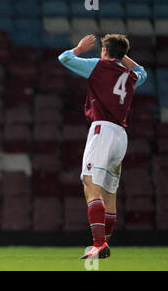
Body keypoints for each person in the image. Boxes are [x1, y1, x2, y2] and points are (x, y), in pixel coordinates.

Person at [58, 34, 147, 259]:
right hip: (120, 136)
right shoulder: (130, 76)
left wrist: (78, 48)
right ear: (121, 55)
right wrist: (121, 56)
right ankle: (104, 245)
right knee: (109, 193)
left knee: (90, 184)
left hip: (102, 131)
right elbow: (143, 71)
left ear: (105, 52)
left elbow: (64, 59)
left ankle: (98, 244)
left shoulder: (99, 65)